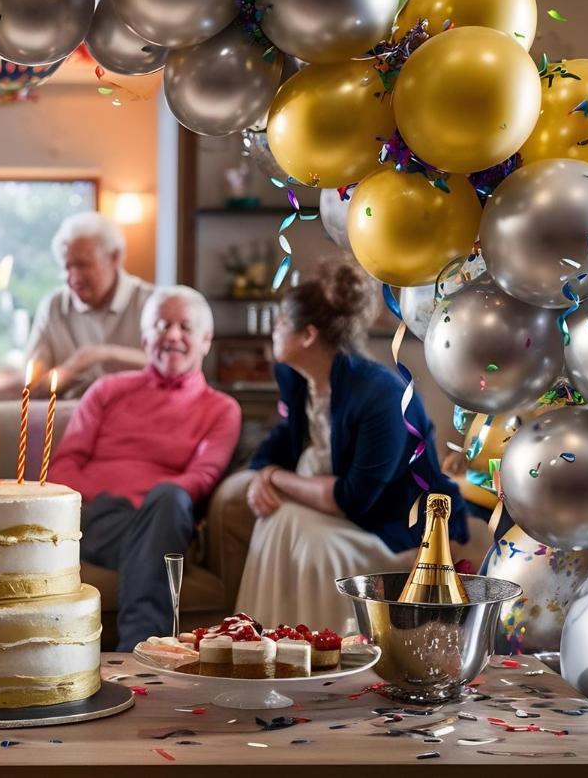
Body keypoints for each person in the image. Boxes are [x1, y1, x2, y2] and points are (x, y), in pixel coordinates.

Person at [233, 257, 481, 634]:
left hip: (392, 529)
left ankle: (325, 644)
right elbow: (275, 447)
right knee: (281, 518)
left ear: (308, 335)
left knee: (302, 532)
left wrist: (273, 478)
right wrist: (262, 472)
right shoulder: (299, 380)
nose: (273, 330)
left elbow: (353, 498)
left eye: (281, 322)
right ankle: (274, 642)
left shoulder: (380, 395)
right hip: (347, 517)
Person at [50, 286, 241, 650]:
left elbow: (201, 478)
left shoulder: (221, 409)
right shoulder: (107, 390)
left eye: (185, 327)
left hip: (164, 515)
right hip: (98, 519)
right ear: (144, 338)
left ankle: (135, 646)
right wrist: (126, 506)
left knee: (171, 499)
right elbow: (63, 467)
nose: (173, 335)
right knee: (155, 532)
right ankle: (144, 651)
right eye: (162, 325)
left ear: (205, 340)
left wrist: (150, 509)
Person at [25, 212, 155, 398]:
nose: (74, 277)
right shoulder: (53, 306)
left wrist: (98, 355)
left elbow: (175, 368)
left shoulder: (153, 303)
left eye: (83, 265)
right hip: (69, 413)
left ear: (115, 258)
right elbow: (34, 383)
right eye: (68, 267)